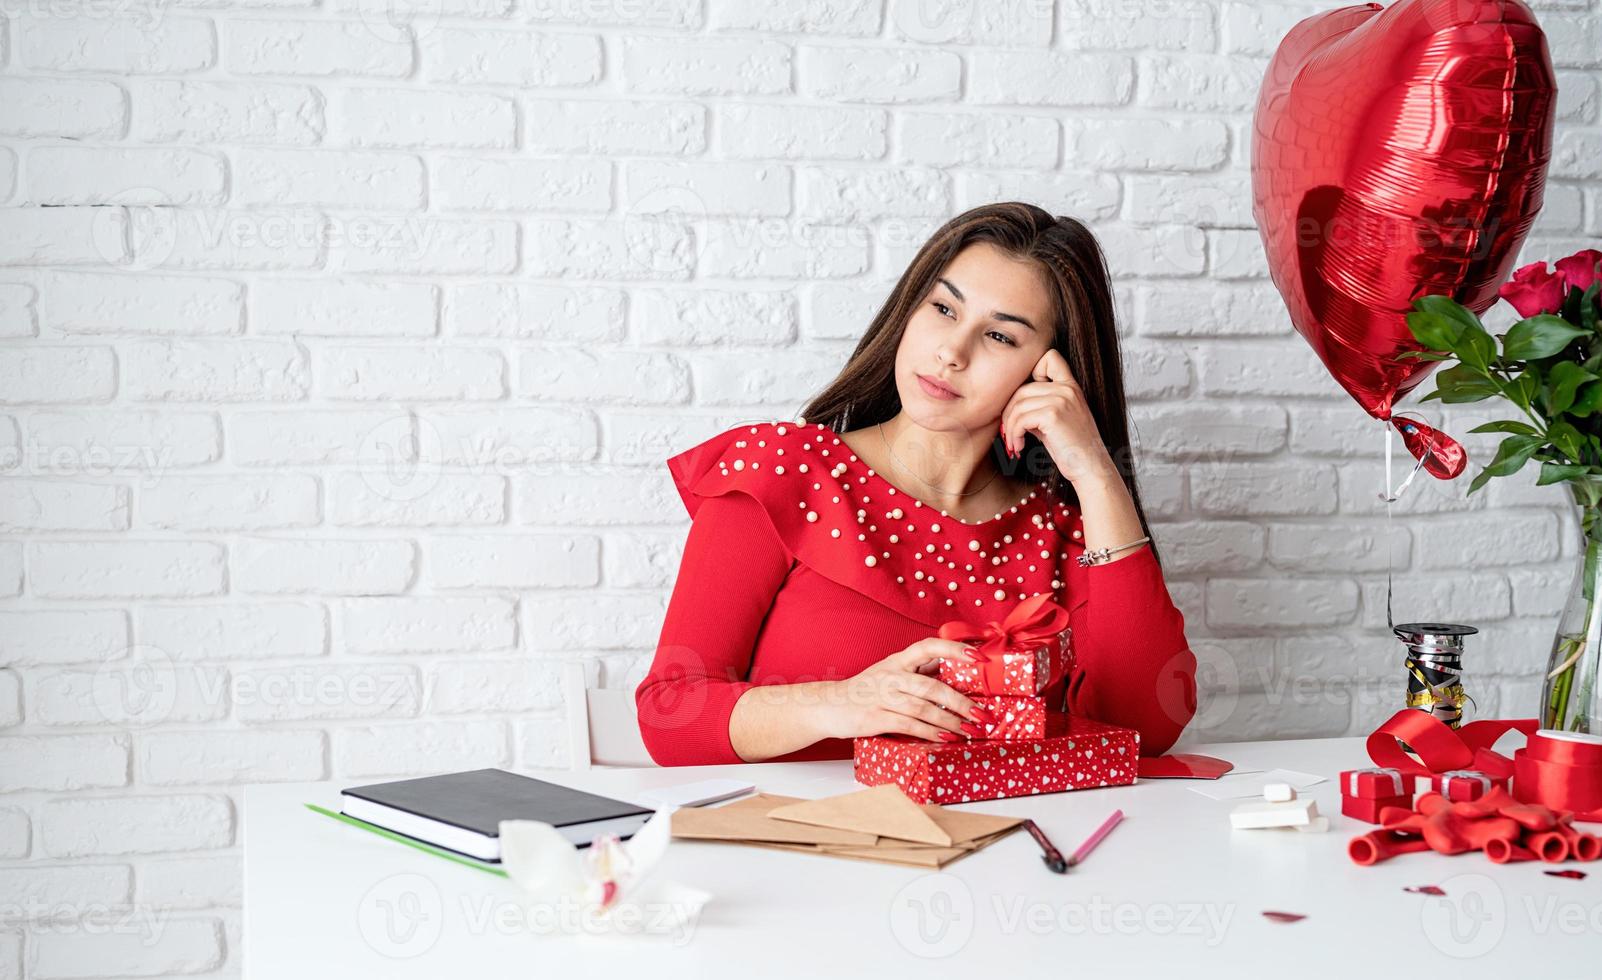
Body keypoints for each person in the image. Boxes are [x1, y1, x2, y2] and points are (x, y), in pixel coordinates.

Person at [635, 203, 1197, 766]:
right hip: (801, 844)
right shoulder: (783, 470)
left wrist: (1096, 473)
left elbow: (1146, 728)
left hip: (1006, 845)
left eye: (1000, 337)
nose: (952, 352)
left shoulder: (1068, 531)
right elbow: (671, 710)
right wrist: (844, 703)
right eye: (944, 308)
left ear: (1050, 372)